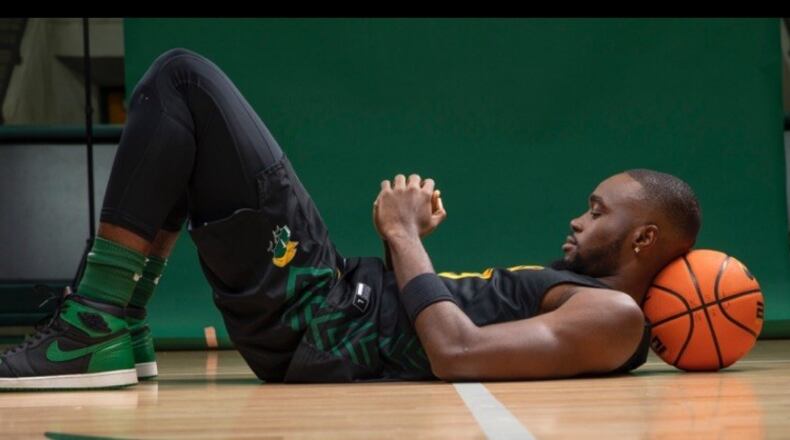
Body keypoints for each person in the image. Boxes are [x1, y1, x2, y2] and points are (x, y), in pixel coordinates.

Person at [0, 49, 701, 389]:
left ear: (644, 237)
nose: (578, 221)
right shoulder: (591, 302)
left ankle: (91, 329)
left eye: (597, 212)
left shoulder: (617, 317)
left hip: (322, 316)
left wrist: (401, 233)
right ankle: (117, 323)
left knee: (183, 81)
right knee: (188, 126)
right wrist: (406, 245)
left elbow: (457, 354)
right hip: (327, 309)